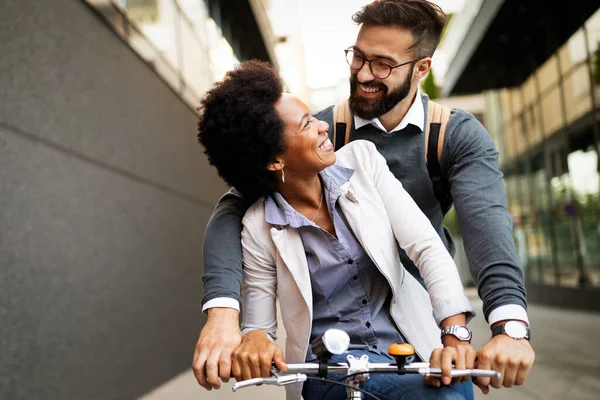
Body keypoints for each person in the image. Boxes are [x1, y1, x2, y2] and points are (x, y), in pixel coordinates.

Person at [193, 0, 534, 395]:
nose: (363, 73)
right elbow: (238, 206)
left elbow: (484, 229)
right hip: (335, 362)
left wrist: (505, 328)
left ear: (421, 68)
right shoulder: (318, 134)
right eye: (358, 57)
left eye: (383, 64)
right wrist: (224, 316)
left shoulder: (447, 137)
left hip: (424, 329)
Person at [197, 59, 476, 400]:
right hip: (331, 371)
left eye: (313, 117)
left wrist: (454, 333)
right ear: (274, 161)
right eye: (305, 125)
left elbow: (426, 247)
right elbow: (260, 324)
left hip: (411, 349)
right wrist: (255, 339)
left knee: (455, 392)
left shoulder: (364, 162)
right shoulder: (259, 225)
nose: (322, 127)